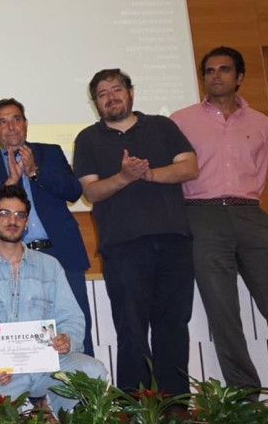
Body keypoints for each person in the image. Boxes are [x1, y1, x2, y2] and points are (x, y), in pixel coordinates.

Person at [171, 46, 268, 390]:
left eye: (224, 70)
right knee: (224, 312)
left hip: (250, 213)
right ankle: (244, 396)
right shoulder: (181, 119)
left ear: (239, 77)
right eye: (209, 71)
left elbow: (260, 174)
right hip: (201, 214)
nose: (216, 76)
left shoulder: (261, 123)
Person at [72, 69, 198, 398]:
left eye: (116, 89)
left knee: (173, 325)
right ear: (95, 103)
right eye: (102, 93)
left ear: (131, 93)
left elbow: (189, 167)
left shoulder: (162, 126)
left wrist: (151, 174)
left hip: (174, 242)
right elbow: (92, 193)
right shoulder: (88, 138)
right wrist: (126, 176)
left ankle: (176, 406)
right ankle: (133, 408)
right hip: (122, 249)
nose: (111, 97)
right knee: (131, 329)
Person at [0, 185, 107, 414]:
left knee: (94, 371)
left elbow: (73, 319)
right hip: (5, 376)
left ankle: (55, 412)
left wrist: (68, 339)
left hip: (51, 366)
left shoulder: (50, 267)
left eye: (20, 215)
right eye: (4, 213)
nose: (13, 220)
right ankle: (36, 415)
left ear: (27, 222)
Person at [0, 98, 93, 356]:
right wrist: (9, 183)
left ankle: (84, 395)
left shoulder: (50, 152)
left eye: (16, 119)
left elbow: (74, 191)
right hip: (11, 261)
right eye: (2, 122)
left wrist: (36, 172)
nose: (11, 126)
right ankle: (35, 397)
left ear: (25, 124)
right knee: (22, 336)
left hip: (61, 253)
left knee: (74, 332)